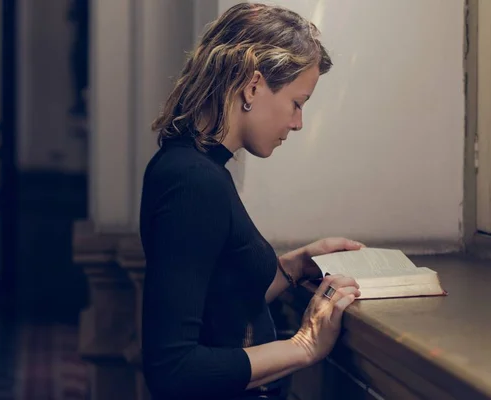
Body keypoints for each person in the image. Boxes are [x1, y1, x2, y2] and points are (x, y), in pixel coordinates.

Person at [139, 3, 364, 399]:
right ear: (253, 85)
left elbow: (217, 303)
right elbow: (172, 369)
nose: (297, 123)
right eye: (298, 103)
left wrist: (293, 267)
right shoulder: (193, 182)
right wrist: (305, 345)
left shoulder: (197, 168)